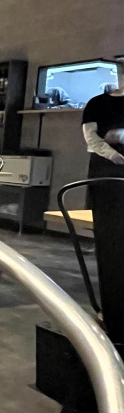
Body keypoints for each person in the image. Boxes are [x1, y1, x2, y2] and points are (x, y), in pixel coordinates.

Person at [81, 56, 124, 345]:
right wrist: (115, 154)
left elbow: (113, 135)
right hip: (106, 174)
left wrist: (119, 135)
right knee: (110, 244)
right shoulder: (97, 103)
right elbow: (92, 139)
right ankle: (112, 315)